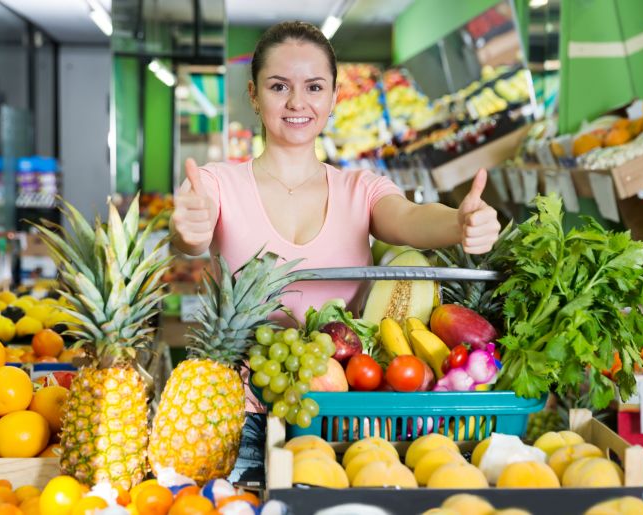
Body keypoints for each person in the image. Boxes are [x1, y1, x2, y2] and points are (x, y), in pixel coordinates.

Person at [169, 21, 501, 484]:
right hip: (235, 411)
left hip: (343, 407)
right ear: (253, 94)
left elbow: (407, 219)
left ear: (333, 97)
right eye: (279, 86)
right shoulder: (215, 183)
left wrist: (458, 222)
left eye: (314, 87)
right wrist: (187, 228)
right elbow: (189, 235)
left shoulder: (360, 189)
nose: (296, 102)